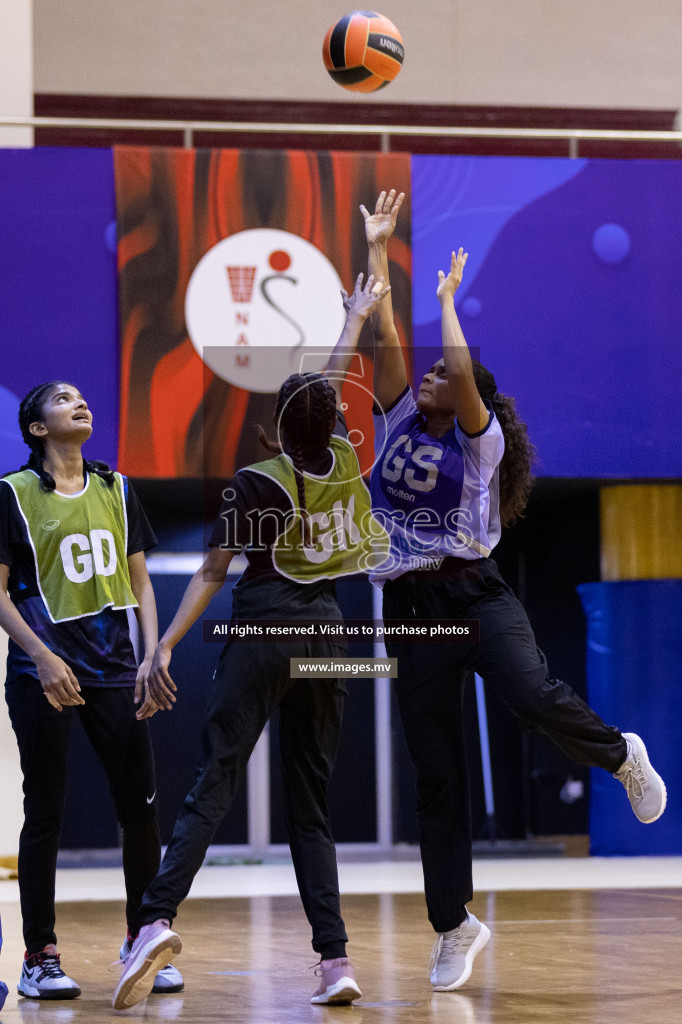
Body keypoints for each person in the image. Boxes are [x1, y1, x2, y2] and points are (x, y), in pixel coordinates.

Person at [359, 190, 667, 992]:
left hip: (472, 592)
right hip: (409, 609)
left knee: (531, 697)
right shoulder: (395, 422)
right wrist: (377, 252)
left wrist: (450, 304)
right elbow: (382, 337)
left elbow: (458, 369)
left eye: (441, 376)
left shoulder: (480, 441)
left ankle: (620, 754)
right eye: (424, 374)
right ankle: (453, 923)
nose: (428, 375)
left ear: (474, 404)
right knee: (436, 770)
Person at [111, 273, 391, 1011]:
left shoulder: (255, 480)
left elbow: (210, 574)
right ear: (333, 424)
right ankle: (336, 962)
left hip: (264, 625)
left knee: (213, 785)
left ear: (276, 422)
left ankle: (155, 920)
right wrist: (356, 317)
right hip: (329, 634)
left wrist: (165, 643)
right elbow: (323, 393)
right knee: (313, 808)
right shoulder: (350, 472)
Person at [0, 381, 183, 999]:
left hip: (115, 668)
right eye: (62, 399)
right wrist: (41, 656)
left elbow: (142, 583)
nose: (80, 402)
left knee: (141, 808)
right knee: (45, 812)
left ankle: (142, 939)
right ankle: (39, 957)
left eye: (84, 396)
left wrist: (153, 651)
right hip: (43, 672)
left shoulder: (118, 488)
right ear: (37, 428)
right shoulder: (13, 494)